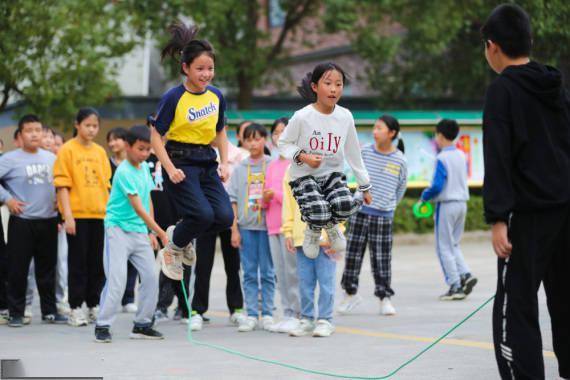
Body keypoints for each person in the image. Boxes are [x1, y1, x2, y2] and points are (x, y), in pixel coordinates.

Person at [481, 4, 570, 379]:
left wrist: (498, 218)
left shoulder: (503, 90)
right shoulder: (556, 85)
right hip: (565, 209)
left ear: (493, 46)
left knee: (515, 306)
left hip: (526, 214)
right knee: (565, 297)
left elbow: (499, 157)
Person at [150, 21, 233, 281]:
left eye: (210, 68)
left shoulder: (216, 96)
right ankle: (173, 248)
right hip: (180, 162)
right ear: (185, 68)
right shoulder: (173, 97)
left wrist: (225, 162)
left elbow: (220, 130)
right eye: (200, 69)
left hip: (207, 162)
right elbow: (155, 136)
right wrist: (169, 168)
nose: (206, 74)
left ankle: (181, 235)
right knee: (203, 214)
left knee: (224, 217)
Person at [278, 62, 372, 260]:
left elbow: (353, 153)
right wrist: (304, 157)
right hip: (304, 176)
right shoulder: (302, 117)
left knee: (346, 204)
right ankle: (313, 230)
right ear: (314, 87)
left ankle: (331, 226)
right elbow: (283, 143)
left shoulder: (345, 116)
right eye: (328, 83)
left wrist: (365, 186)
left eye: (339, 84)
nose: (333, 89)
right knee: (319, 210)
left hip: (332, 176)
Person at [94, 126, 167, 343]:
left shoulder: (144, 168)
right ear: (128, 146)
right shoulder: (124, 172)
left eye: (148, 150)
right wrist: (162, 233)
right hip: (117, 230)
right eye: (141, 149)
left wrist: (152, 232)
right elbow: (138, 207)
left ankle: (142, 324)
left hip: (139, 231)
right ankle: (103, 325)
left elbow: (148, 200)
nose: (145, 154)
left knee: (151, 277)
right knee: (117, 280)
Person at [0, 114, 66, 327]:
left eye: (38, 130)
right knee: (18, 269)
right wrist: (7, 198)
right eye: (30, 130)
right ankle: (16, 312)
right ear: (20, 134)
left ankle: (50, 311)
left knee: (47, 268)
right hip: (22, 221)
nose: (35, 134)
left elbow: (61, 184)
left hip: (48, 220)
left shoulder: (51, 158)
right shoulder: (10, 159)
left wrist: (60, 202)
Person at [339, 115, 407, 316]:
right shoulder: (365, 152)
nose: (375, 131)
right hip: (359, 212)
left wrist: (388, 205)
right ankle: (350, 294)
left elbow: (400, 188)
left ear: (391, 133)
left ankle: (384, 298)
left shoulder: (400, 160)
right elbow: (354, 173)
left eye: (379, 128)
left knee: (382, 258)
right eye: (374, 127)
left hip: (383, 216)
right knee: (352, 255)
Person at [54, 107, 112, 327]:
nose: (91, 129)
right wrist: (67, 216)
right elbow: (62, 186)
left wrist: (109, 215)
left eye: (95, 126)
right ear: (77, 125)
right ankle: (76, 308)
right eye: (87, 125)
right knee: (77, 263)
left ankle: (93, 305)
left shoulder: (99, 152)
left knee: (96, 263)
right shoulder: (67, 150)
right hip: (77, 215)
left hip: (100, 215)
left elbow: (107, 186)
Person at [189, 124, 245, 331]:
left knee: (233, 265)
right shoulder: (200, 153)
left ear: (224, 129)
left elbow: (239, 189)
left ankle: (236, 309)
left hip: (229, 215)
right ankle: (197, 310)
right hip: (206, 215)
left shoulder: (238, 156)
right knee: (203, 264)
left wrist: (235, 222)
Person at [420, 119, 477, 301]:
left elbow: (437, 186)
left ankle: (455, 285)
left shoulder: (441, 158)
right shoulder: (461, 155)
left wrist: (425, 196)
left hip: (446, 205)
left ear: (440, 136)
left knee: (443, 246)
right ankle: (466, 274)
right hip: (462, 203)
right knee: (454, 244)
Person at [282, 166, 339, 338]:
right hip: (302, 237)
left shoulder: (330, 167)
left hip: (326, 237)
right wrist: (288, 231)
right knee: (305, 282)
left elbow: (339, 201)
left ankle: (325, 319)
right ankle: (306, 319)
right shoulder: (291, 170)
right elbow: (289, 204)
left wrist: (337, 233)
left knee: (326, 281)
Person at [228, 123, 275, 332]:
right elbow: (233, 201)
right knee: (248, 272)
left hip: (268, 227)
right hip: (246, 227)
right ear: (243, 142)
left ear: (265, 139)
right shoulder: (239, 169)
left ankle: (267, 313)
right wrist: (234, 229)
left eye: (257, 138)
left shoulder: (272, 165)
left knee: (267, 272)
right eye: (249, 139)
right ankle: (251, 314)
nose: (253, 143)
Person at [264, 117, 300, 333]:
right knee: (280, 272)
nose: (279, 136)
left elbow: (293, 197)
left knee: (293, 272)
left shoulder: (296, 164)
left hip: (289, 228)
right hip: (271, 225)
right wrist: (264, 198)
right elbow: (265, 196)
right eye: (276, 133)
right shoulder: (271, 165)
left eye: (283, 132)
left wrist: (275, 194)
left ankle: (297, 313)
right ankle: (287, 312)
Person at [106, 126, 138, 314]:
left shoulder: (134, 165)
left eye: (116, 139)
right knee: (113, 263)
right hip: (115, 218)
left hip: (133, 218)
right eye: (110, 139)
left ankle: (128, 298)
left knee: (132, 262)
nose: (112, 143)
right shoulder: (106, 163)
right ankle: (110, 299)